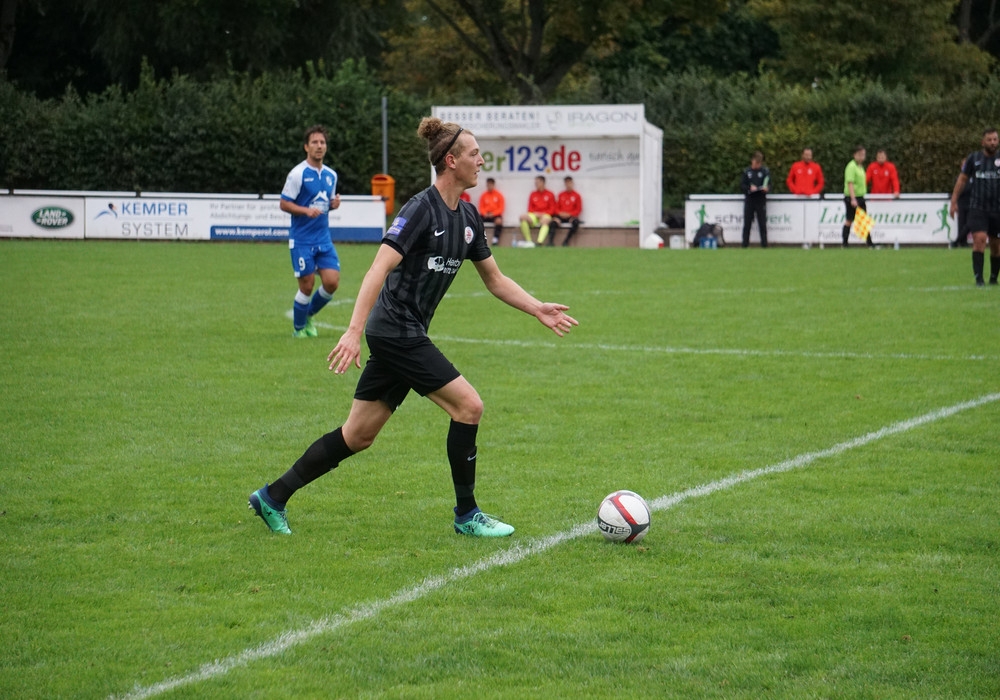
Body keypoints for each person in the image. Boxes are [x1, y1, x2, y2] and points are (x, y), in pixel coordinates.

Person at [248, 117, 579, 537]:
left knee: (358, 435)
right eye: (475, 154)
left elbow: (495, 279)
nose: (481, 161)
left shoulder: (469, 216)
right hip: (395, 330)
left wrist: (537, 308)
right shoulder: (420, 209)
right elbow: (378, 268)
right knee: (469, 406)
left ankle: (272, 495)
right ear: (451, 160)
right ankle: (467, 515)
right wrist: (352, 330)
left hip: (405, 332)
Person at [280, 125, 342, 338]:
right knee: (307, 286)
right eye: (314, 142)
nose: (319, 146)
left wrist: (333, 205)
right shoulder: (297, 174)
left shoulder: (331, 175)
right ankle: (299, 330)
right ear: (306, 147)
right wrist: (305, 211)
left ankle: (307, 315)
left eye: (322, 142)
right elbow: (284, 203)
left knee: (332, 282)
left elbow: (325, 204)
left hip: (323, 239)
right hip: (302, 240)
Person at [949, 128, 1000, 286]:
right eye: (989, 140)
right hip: (977, 207)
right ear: (982, 142)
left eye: (995, 139)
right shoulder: (973, 158)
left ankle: (993, 278)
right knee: (979, 239)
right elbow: (962, 180)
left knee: (996, 245)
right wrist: (954, 201)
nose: (993, 142)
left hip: (997, 209)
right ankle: (979, 279)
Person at [842, 145, 875, 248]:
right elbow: (850, 183)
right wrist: (853, 199)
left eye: (863, 155)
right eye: (860, 155)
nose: (862, 157)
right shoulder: (851, 166)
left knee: (863, 220)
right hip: (853, 197)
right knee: (849, 220)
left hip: (860, 197)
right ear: (855, 155)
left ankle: (869, 243)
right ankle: (845, 243)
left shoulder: (860, 167)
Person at [740, 151, 770, 248]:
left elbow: (769, 184)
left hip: (760, 200)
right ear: (752, 161)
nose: (757, 165)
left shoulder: (765, 171)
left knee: (762, 223)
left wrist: (766, 189)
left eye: (759, 163)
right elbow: (742, 185)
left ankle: (764, 245)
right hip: (750, 200)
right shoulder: (747, 172)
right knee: (747, 223)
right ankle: (745, 245)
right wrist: (749, 188)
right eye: (756, 163)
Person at [518, 175, 556, 247]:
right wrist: (536, 214)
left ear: (543, 182)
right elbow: (530, 208)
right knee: (522, 217)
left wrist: (543, 214)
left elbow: (552, 209)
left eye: (538, 182)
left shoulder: (550, 194)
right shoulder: (533, 194)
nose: (536, 184)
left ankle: (539, 242)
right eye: (535, 183)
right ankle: (529, 241)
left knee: (546, 221)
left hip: (545, 215)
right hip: (534, 215)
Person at [550, 176, 583, 246]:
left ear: (572, 183)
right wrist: (560, 213)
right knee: (553, 223)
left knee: (576, 223)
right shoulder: (561, 195)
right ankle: (550, 242)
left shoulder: (577, 195)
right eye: (566, 183)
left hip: (570, 216)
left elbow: (578, 209)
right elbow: (556, 207)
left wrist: (570, 214)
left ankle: (566, 241)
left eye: (569, 183)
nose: (568, 185)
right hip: (561, 216)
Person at [478, 177, 505, 245]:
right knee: (477, 221)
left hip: (495, 215)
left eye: (490, 185)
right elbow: (481, 207)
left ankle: (495, 239)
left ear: (493, 185)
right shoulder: (484, 195)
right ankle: (479, 238)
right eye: (488, 185)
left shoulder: (499, 195)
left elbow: (501, 208)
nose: (489, 186)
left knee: (499, 221)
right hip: (486, 215)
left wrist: (493, 214)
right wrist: (485, 213)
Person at [952, 156, 972, 248]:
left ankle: (957, 241)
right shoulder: (959, 178)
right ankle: (963, 243)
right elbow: (957, 191)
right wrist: (954, 202)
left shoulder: (973, 177)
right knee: (961, 224)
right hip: (961, 203)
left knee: (970, 223)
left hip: (971, 203)